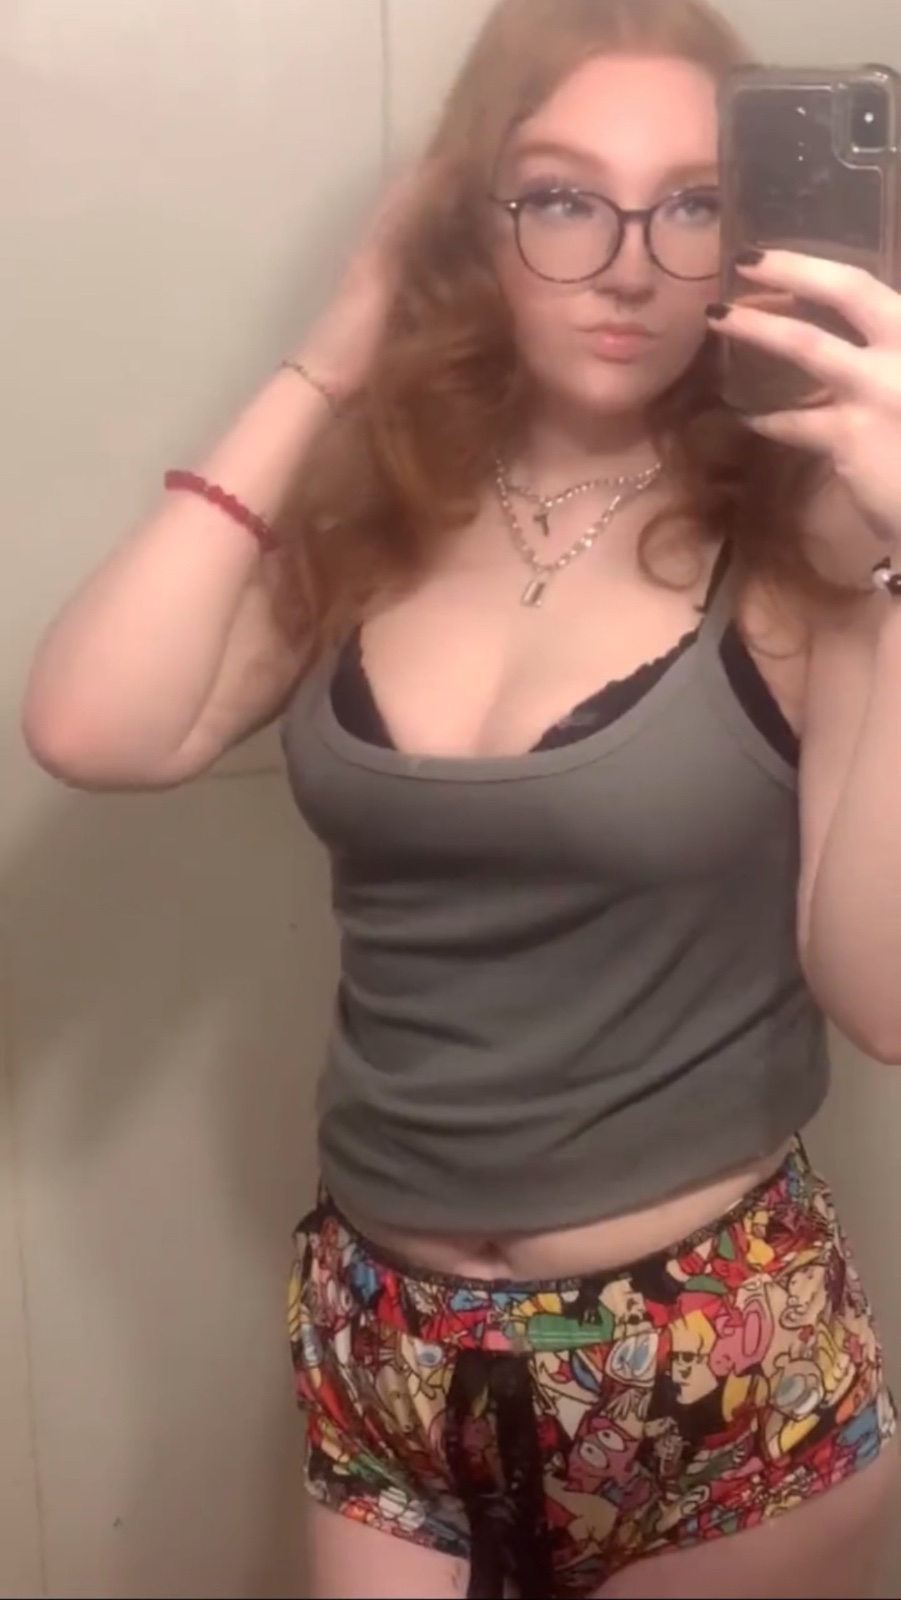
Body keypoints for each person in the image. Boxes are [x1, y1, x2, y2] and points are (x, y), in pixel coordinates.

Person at [22, 0, 901, 1594]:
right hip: (385, 1343)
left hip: (705, 1363)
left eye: (691, 203)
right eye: (561, 197)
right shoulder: (381, 510)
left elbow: (883, 1000)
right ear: (469, 218)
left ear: (750, 232)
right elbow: (94, 728)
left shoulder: (808, 539)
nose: (626, 262)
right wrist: (338, 345)